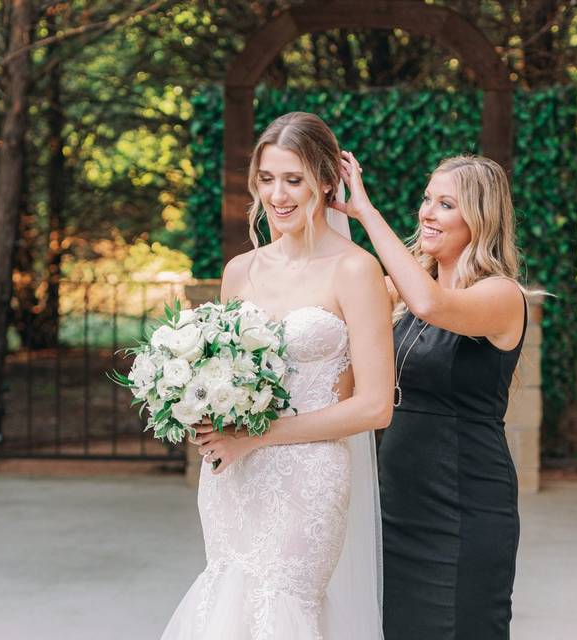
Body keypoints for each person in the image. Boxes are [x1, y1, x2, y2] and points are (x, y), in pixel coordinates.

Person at [161, 112, 394, 640]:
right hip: (233, 478)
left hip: (308, 478)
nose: (279, 195)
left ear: (326, 183)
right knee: (227, 602)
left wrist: (258, 436)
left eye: (294, 180)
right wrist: (198, 410)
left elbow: (375, 405)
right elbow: (215, 373)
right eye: (267, 179)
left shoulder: (356, 270)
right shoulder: (240, 271)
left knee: (281, 607)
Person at [332, 151, 528, 639]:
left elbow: (431, 302)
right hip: (395, 503)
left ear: (479, 218)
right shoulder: (400, 294)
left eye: (445, 204)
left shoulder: (501, 296)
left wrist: (365, 211)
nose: (426, 213)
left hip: (465, 506)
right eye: (427, 199)